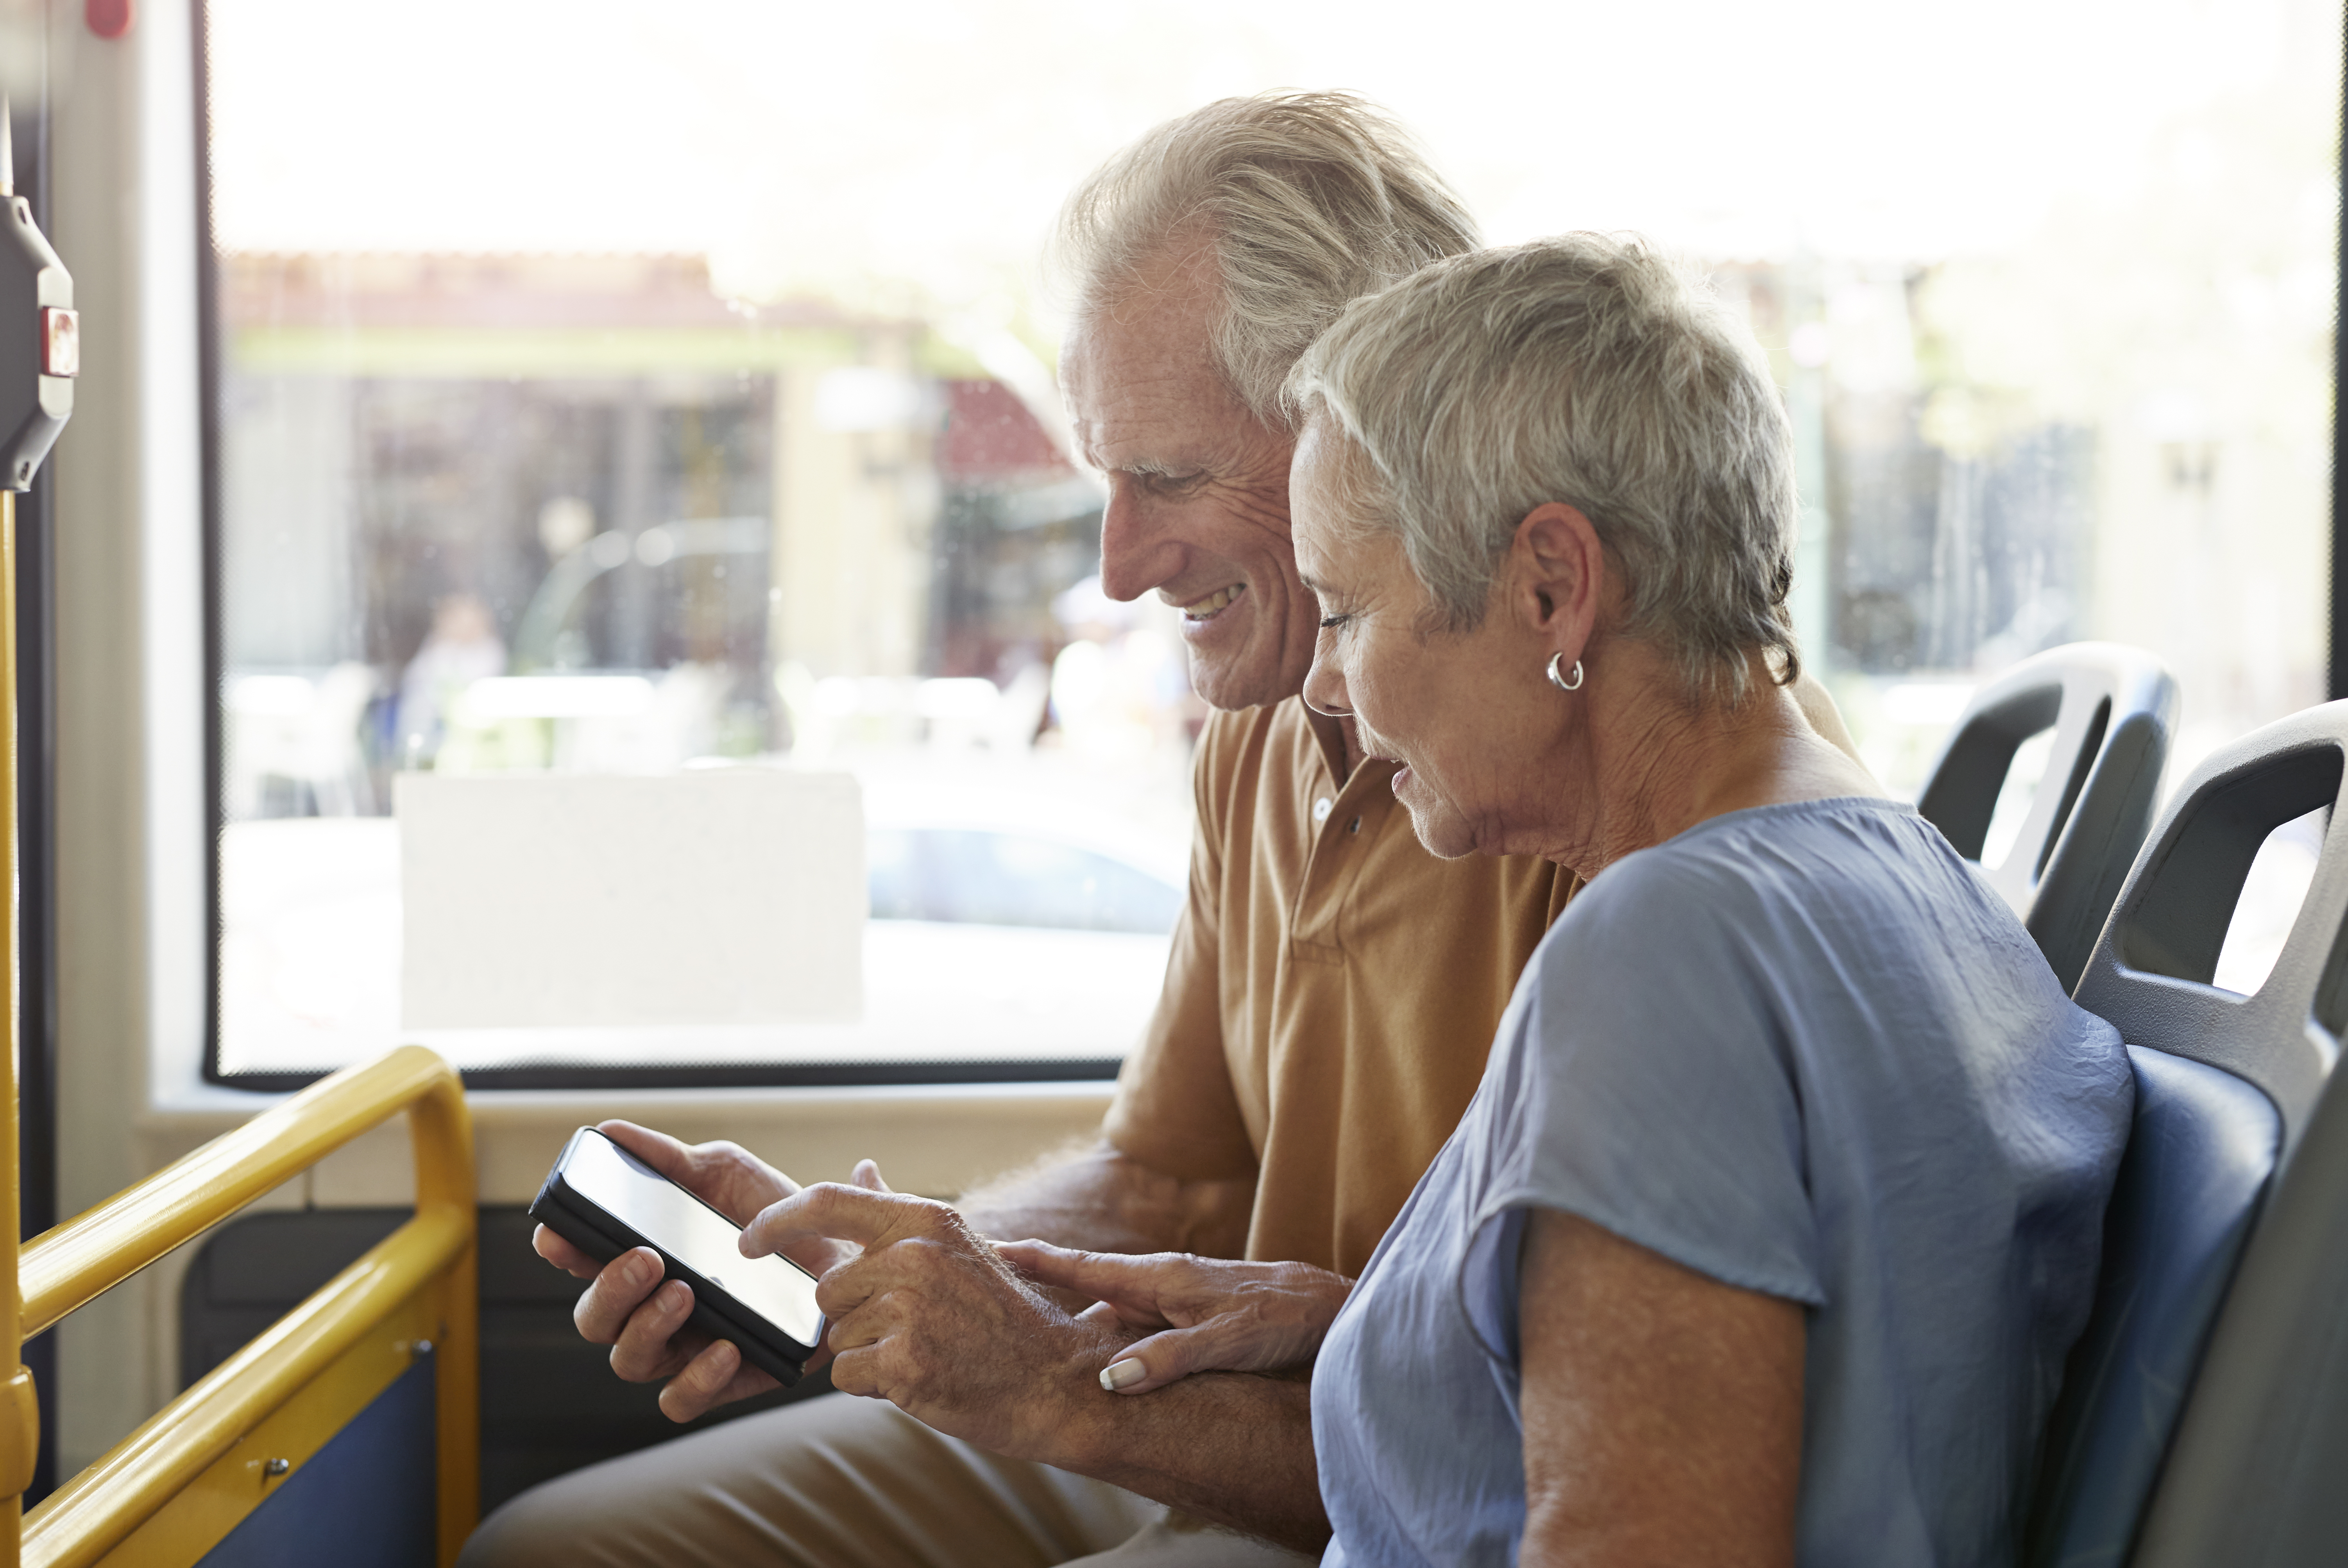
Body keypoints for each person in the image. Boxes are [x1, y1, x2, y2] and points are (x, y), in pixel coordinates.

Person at [462, 91, 1558, 1568]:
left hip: (1382, 1485)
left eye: (1164, 479)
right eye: (1099, 478)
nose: (1113, 570)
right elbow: (1171, 1177)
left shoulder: (1575, 775)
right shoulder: (1252, 737)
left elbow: (1546, 1428)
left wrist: (1044, 1381)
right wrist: (864, 1263)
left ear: (1359, 435)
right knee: (555, 1552)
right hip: (1195, 1396)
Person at [999, 236, 2138, 1564]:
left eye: (1349, 615)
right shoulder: (1911, 886)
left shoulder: (1665, 955)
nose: (1323, 687)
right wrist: (1368, 1326)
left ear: (1551, 586)